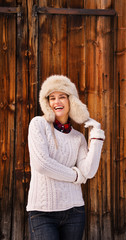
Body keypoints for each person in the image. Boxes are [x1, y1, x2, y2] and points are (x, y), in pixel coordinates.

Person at [27, 75, 105, 240]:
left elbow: (89, 171)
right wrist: (76, 176)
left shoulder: (78, 137)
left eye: (62, 96)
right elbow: (42, 164)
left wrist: (96, 135)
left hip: (74, 212)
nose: (57, 102)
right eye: (52, 98)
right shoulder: (38, 124)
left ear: (71, 101)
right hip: (42, 213)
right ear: (47, 102)